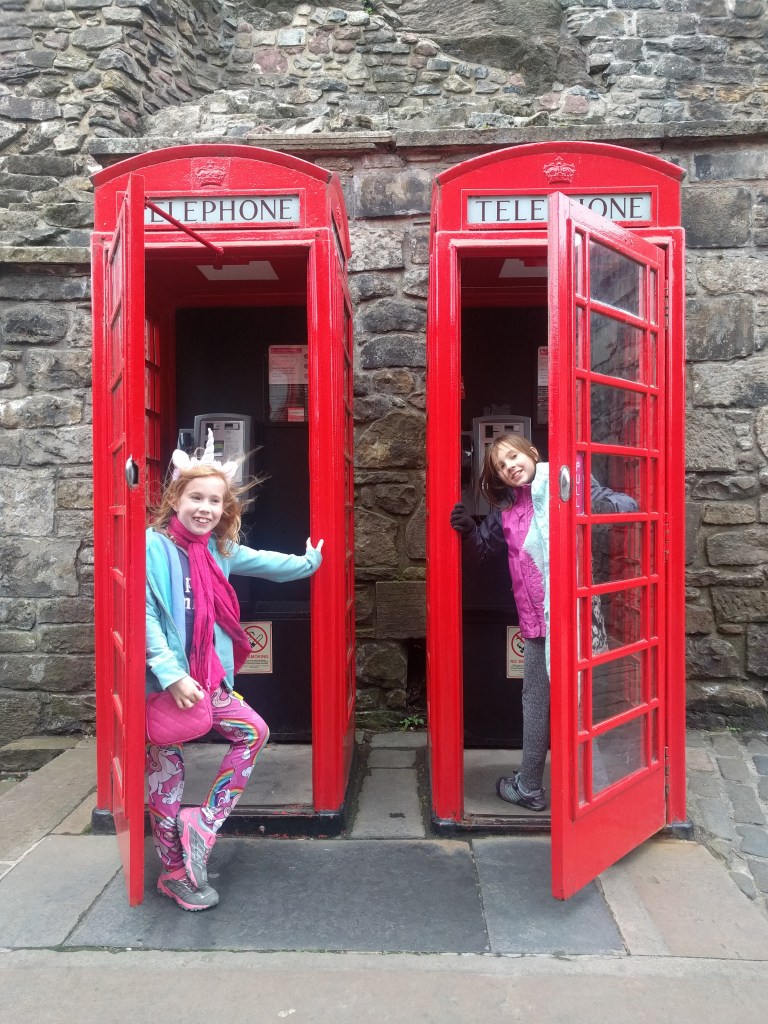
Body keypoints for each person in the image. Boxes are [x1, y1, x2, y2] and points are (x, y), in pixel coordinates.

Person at [146, 431, 323, 911]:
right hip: (166, 686)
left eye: (215, 501)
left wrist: (310, 561)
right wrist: (171, 674)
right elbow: (144, 616)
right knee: (166, 776)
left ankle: (203, 823)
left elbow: (267, 563)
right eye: (196, 498)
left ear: (225, 508)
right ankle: (174, 873)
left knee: (254, 732)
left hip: (209, 680)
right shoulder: (153, 547)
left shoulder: (218, 551)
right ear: (175, 499)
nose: (205, 508)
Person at [450, 434, 636, 812]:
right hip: (536, 625)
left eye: (513, 456)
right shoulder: (506, 508)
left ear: (532, 453)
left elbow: (625, 506)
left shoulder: (565, 484)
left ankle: (595, 790)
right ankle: (531, 786)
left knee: (583, 702)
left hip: (573, 620)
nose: (510, 467)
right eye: (501, 466)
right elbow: (481, 552)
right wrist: (468, 529)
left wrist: (597, 502)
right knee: (534, 702)